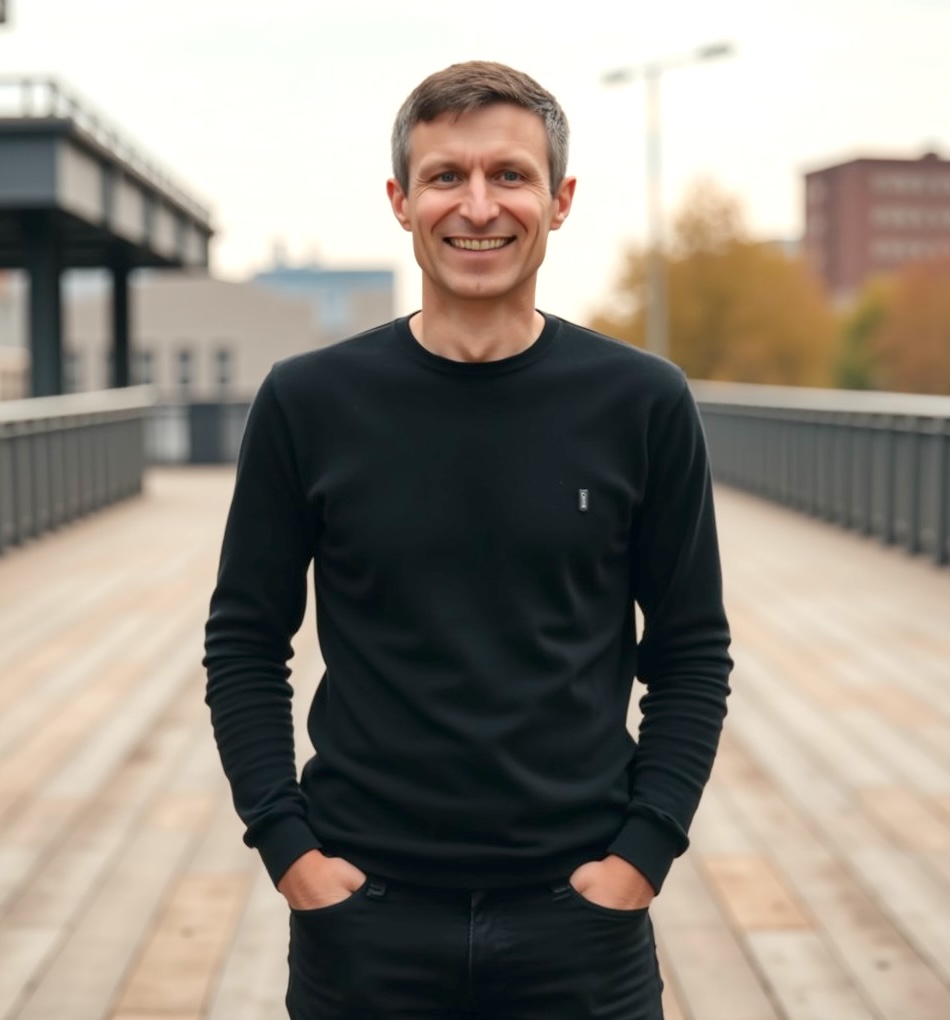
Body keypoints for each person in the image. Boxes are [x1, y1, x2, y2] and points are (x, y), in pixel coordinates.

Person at [204, 60, 732, 1020]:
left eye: (510, 175)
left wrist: (642, 856)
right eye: (446, 175)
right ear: (401, 201)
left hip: (580, 917)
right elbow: (244, 639)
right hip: (365, 916)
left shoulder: (642, 402)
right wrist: (288, 850)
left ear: (560, 200)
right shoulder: (308, 401)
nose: (478, 206)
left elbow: (691, 648)